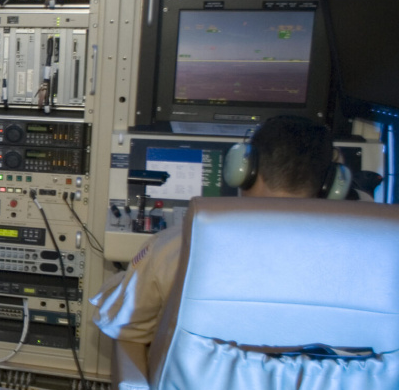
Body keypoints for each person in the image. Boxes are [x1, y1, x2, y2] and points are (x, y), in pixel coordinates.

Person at [90, 115, 351, 345]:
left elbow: (122, 324)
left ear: (243, 169)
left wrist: (125, 280)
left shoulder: (178, 245)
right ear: (333, 184)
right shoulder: (364, 257)